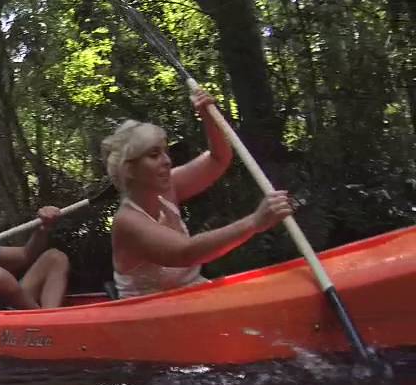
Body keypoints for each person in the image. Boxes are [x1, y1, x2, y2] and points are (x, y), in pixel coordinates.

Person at [101, 89, 294, 298]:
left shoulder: (168, 185)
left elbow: (218, 160)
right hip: (150, 314)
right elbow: (186, 253)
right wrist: (254, 222)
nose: (167, 160)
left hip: (194, 296)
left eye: (165, 151)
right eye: (154, 155)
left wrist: (209, 118)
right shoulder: (127, 221)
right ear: (129, 169)